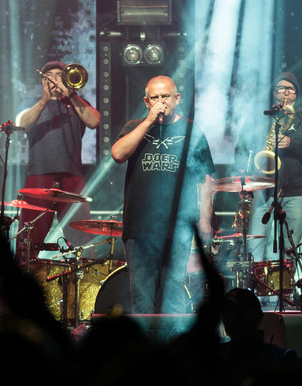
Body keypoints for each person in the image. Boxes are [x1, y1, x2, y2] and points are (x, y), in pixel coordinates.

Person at [111, 75, 215, 314]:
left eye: (165, 96)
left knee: (174, 296)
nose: (161, 102)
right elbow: (118, 154)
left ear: (176, 99)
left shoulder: (191, 130)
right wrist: (148, 121)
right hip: (139, 229)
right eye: (155, 98)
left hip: (177, 228)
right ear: (146, 102)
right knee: (142, 299)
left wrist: (205, 219)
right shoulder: (134, 127)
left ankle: (174, 347)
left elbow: (205, 178)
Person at [14, 60, 100, 260]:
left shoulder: (77, 101)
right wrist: (44, 99)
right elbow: (22, 125)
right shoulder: (32, 103)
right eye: (50, 75)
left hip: (72, 178)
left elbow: (94, 121)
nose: (54, 79)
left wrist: (71, 94)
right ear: (43, 80)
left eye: (59, 75)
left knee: (82, 240)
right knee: (28, 239)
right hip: (39, 177)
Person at [252, 72, 302, 263]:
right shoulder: (266, 116)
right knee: (254, 247)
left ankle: (285, 293)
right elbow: (247, 147)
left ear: (296, 94)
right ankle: (255, 291)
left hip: (294, 192)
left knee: (288, 252)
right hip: (264, 191)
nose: (285, 93)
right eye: (280, 88)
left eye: (289, 89)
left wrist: (291, 143)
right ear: (274, 93)